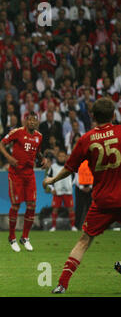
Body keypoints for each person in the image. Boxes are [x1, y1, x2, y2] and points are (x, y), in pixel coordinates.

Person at [43, 98, 121, 294]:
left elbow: (69, 168)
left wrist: (52, 180)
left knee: (84, 240)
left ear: (92, 116)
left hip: (102, 201)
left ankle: (62, 283)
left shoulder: (86, 139)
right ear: (113, 115)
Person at [0, 112, 46, 252]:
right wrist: (9, 158)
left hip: (29, 175)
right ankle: (11, 237)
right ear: (25, 121)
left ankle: (25, 237)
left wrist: (42, 159)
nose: (32, 122)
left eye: (34, 120)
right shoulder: (17, 132)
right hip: (16, 174)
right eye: (30, 120)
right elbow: (0, 145)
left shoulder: (39, 136)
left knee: (31, 205)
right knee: (16, 205)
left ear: (37, 122)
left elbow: (37, 152)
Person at [45, 150, 78, 232]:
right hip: (57, 191)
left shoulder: (69, 166)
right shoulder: (53, 167)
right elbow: (48, 178)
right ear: (57, 157)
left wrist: (71, 184)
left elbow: (75, 177)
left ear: (66, 157)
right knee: (55, 209)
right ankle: (53, 227)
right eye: (60, 156)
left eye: (63, 156)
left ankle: (73, 226)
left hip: (68, 191)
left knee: (70, 209)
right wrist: (52, 189)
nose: (61, 158)